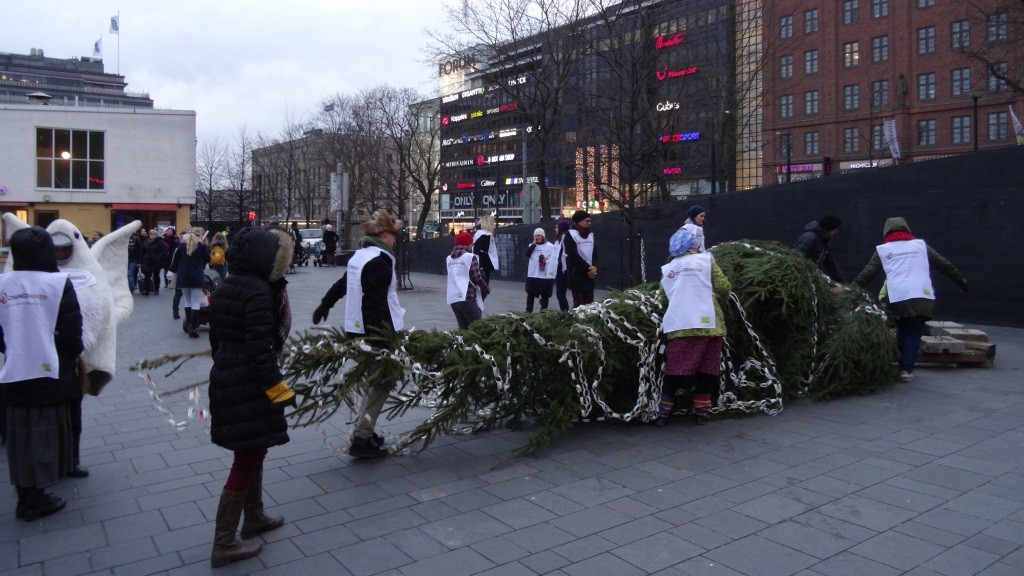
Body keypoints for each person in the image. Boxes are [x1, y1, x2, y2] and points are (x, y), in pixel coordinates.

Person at [207, 227, 294, 567]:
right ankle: (224, 542)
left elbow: (215, 339)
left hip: (229, 374)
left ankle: (254, 516)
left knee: (253, 447)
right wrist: (279, 389)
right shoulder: (258, 291)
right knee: (246, 457)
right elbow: (262, 350)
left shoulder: (228, 283)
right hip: (250, 381)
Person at [0, 227, 84, 521]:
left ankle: (26, 494)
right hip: (52, 368)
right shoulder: (58, 284)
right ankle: (36, 498)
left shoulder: (3, 283)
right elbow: (73, 331)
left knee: (20, 435)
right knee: (45, 432)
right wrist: (73, 354)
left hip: (14, 369)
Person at [312, 210, 405, 459]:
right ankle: (362, 438)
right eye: (394, 235)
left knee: (377, 379)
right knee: (383, 381)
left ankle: (366, 431)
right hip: (374, 330)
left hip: (358, 328)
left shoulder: (361, 256)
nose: (395, 240)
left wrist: (325, 304)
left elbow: (343, 284)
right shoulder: (379, 261)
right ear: (384, 234)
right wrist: (383, 336)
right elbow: (375, 303)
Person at [853, 217, 968, 382]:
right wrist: (962, 282)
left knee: (902, 329)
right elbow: (944, 265)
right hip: (921, 294)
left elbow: (868, 273)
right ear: (907, 229)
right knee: (914, 333)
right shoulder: (921, 246)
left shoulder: (883, 250)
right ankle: (906, 370)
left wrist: (851, 288)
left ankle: (896, 363)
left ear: (886, 231)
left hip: (896, 296)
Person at [657, 228, 731, 426]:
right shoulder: (707, 260)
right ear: (694, 245)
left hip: (680, 324)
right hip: (710, 324)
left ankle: (664, 412)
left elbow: (662, 297)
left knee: (676, 368)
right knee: (707, 368)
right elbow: (724, 286)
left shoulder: (669, 269)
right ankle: (701, 411)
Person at [171, 227, 211, 338]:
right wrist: (202, 245)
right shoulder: (201, 247)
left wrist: (172, 271)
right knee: (195, 302)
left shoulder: (181, 246)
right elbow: (207, 259)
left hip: (183, 276)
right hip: (196, 276)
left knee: (187, 301)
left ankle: (189, 324)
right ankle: (193, 327)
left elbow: (175, 261)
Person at [446, 231, 489, 329]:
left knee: (463, 328)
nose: (472, 244)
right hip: (467, 297)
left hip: (453, 298)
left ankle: (462, 344)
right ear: (468, 244)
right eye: (471, 242)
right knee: (478, 328)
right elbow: (477, 278)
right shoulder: (469, 257)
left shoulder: (449, 258)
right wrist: (486, 289)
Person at [794, 215, 845, 285]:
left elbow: (831, 265)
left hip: (810, 278)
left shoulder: (823, 243)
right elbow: (797, 259)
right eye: (836, 230)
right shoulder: (808, 238)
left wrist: (842, 283)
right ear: (830, 227)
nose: (836, 233)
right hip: (802, 280)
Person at [563, 210, 597, 308]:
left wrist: (595, 266)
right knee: (579, 303)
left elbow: (595, 253)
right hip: (576, 273)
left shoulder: (590, 235)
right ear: (579, 221)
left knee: (590, 303)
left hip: (589, 274)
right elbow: (573, 256)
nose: (589, 223)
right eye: (587, 221)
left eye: (590, 221)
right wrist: (588, 268)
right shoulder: (570, 235)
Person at [525, 227, 556, 313]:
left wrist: (547, 260)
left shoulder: (550, 246)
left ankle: (543, 313)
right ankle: (528, 312)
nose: (537, 237)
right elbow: (527, 254)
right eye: (536, 236)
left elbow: (554, 258)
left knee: (545, 296)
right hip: (533, 274)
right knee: (530, 294)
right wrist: (534, 244)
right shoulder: (531, 246)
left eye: (539, 235)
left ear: (543, 236)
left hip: (545, 275)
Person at [473, 215, 499, 285]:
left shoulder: (478, 233)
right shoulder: (485, 235)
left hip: (479, 261)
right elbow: (478, 249)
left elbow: (475, 249)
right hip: (483, 262)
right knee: (484, 285)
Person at [552, 218, 571, 311]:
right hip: (559, 270)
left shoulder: (565, 240)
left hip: (564, 270)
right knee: (560, 294)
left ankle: (565, 313)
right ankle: (565, 312)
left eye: (557, 227)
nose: (555, 229)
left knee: (560, 294)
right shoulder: (557, 241)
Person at [140, 229, 166, 295]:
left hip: (156, 262)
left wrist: (158, 258)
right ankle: (147, 290)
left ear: (156, 235)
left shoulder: (160, 242)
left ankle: (156, 289)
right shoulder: (146, 241)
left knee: (156, 276)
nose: (152, 235)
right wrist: (142, 259)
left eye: (154, 234)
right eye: (151, 234)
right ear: (149, 235)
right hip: (147, 261)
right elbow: (142, 250)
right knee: (147, 276)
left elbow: (163, 251)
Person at [127, 227, 145, 294]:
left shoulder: (136, 239)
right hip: (124, 260)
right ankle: (131, 286)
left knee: (130, 274)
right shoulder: (123, 239)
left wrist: (140, 261)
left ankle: (131, 288)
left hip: (133, 259)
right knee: (129, 274)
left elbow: (140, 250)